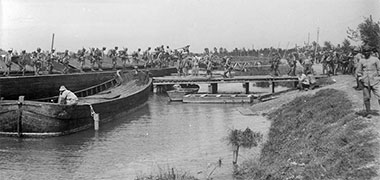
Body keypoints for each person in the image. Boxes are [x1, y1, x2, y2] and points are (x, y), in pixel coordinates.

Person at [356, 45, 380, 117]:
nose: (366, 53)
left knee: (379, 95)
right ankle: (368, 112)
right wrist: (360, 78)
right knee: (366, 97)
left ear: (370, 52)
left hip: (375, 81)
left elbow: (379, 69)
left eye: (368, 51)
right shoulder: (361, 61)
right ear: (363, 52)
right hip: (365, 82)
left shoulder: (376, 60)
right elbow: (359, 71)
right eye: (365, 51)